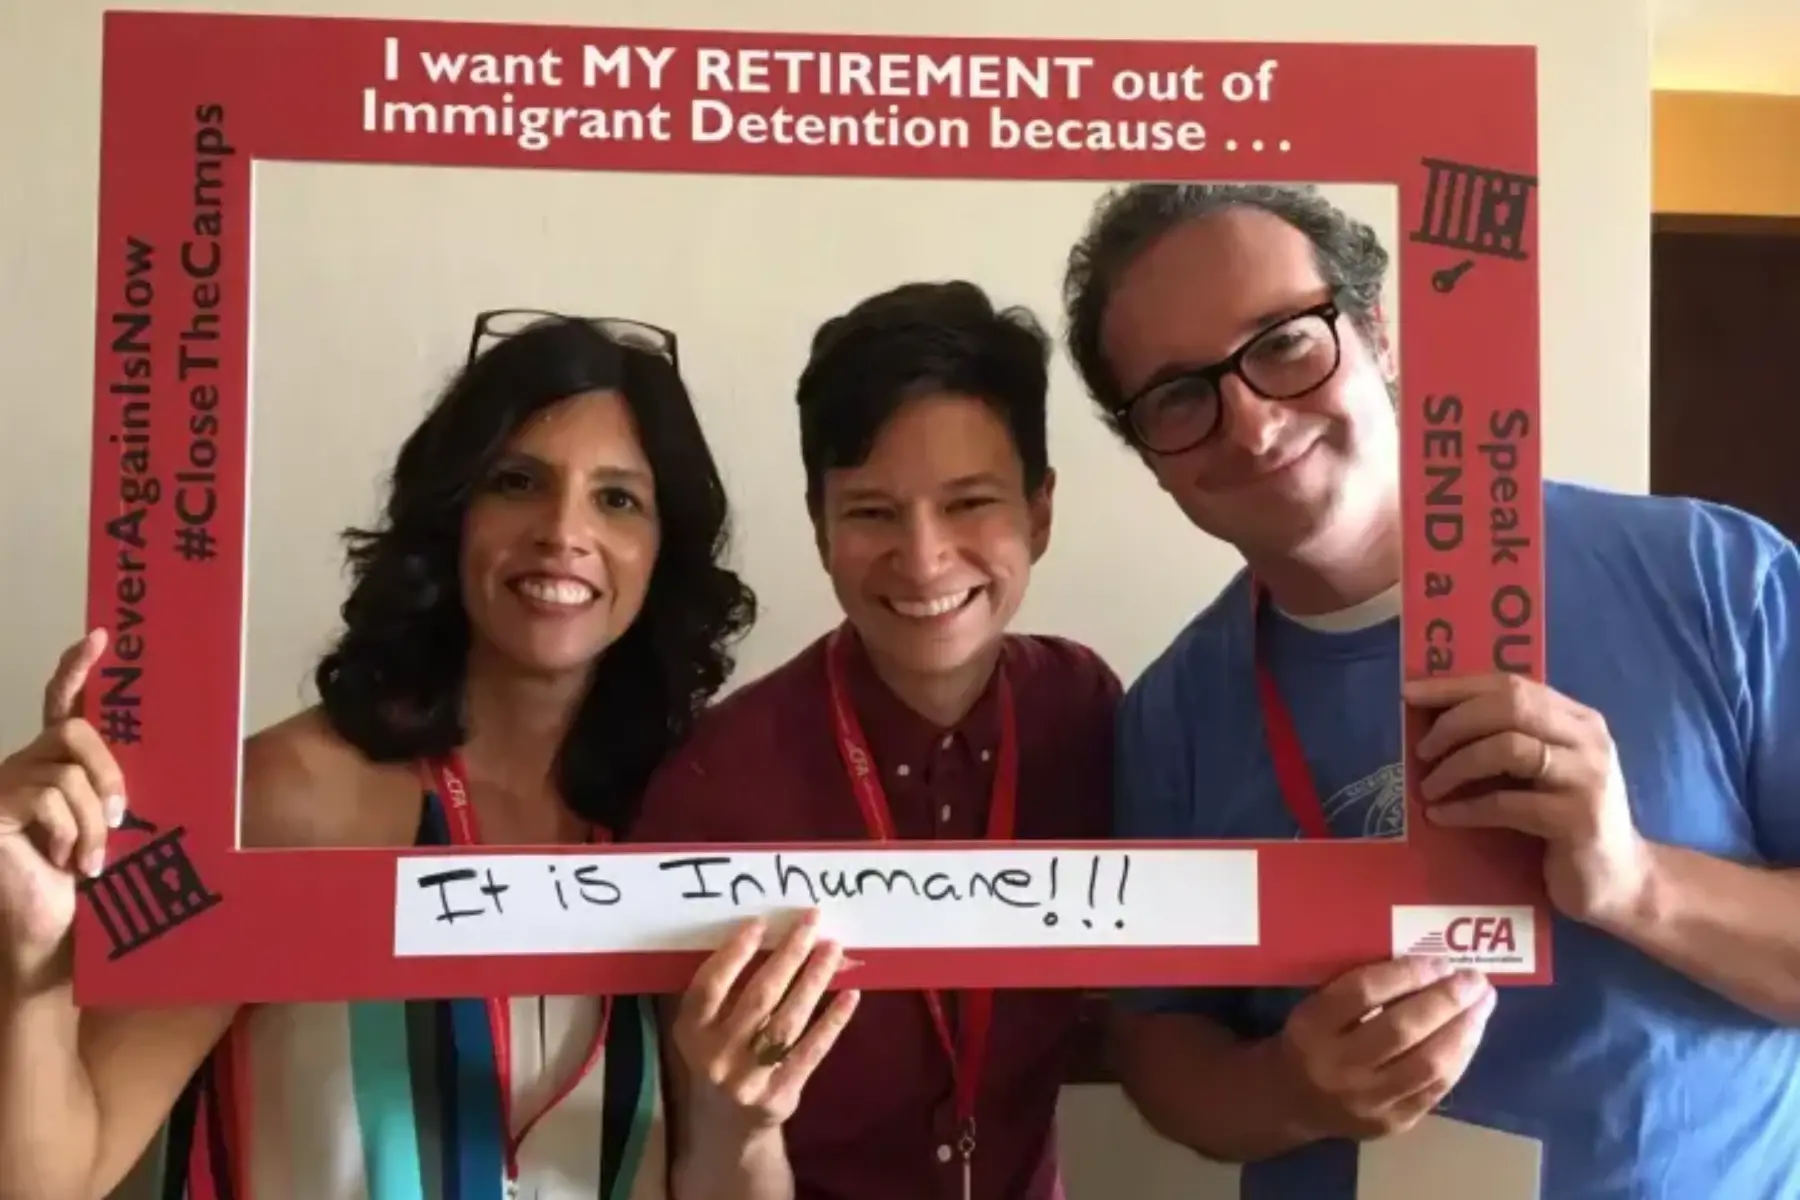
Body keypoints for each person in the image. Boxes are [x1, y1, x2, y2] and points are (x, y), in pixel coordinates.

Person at [1059, 181, 1800, 1198]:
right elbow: (1158, 1039)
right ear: (1150, 457)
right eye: (1181, 395)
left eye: (1283, 342)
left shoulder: (1715, 579)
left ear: (1378, 332)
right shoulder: (1169, 713)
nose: (1254, 424)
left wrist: (1637, 883)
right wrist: (1288, 1092)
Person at [0, 310, 758, 1200]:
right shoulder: (277, 803)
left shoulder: (674, 828)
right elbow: (54, 1177)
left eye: (618, 498)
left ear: (663, 551)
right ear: (452, 517)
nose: (563, 530)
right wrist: (30, 966)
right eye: (517, 482)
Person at [625, 281, 1121, 1200]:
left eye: (970, 503)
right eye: (872, 512)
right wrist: (738, 1122)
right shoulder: (713, 784)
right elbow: (692, 1163)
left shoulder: (1085, 711)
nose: (925, 558)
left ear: (1039, 514)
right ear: (818, 527)